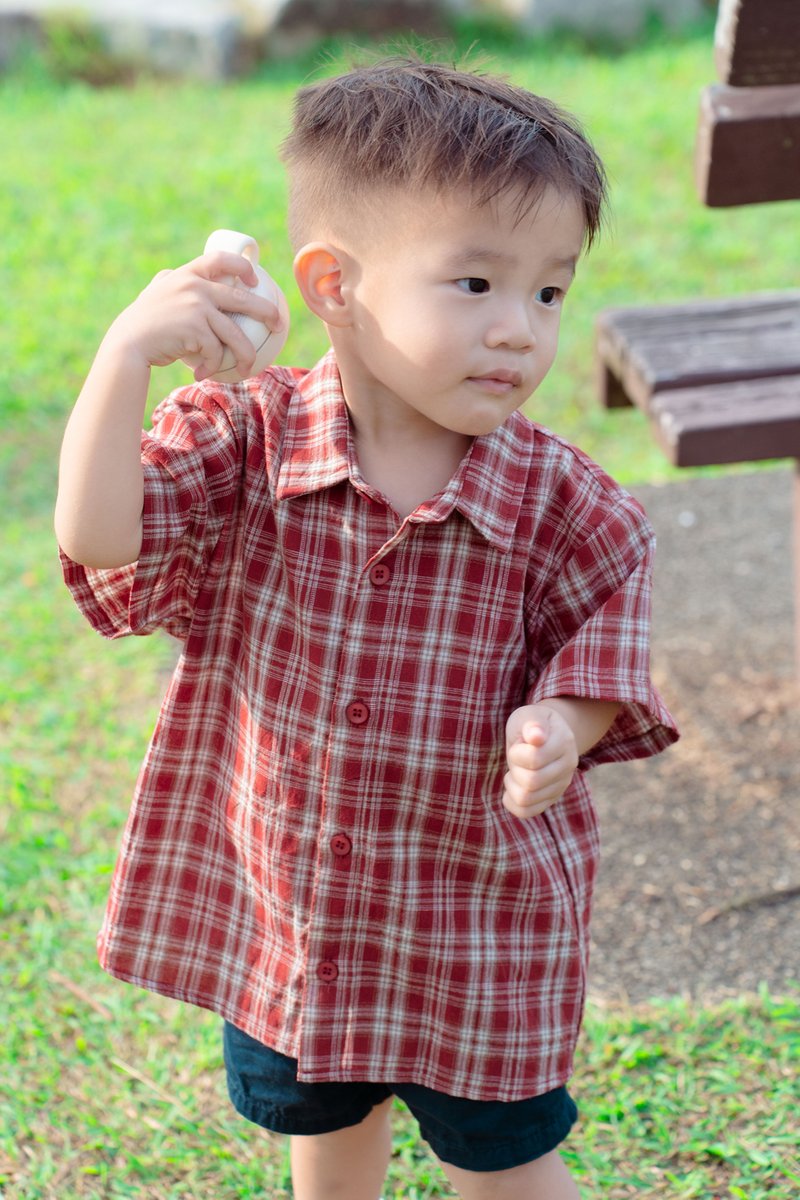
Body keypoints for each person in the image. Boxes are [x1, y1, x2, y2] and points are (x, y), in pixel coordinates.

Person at [55, 56, 678, 1200]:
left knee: (505, 1162)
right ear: (333, 285)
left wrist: (561, 721)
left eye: (548, 293)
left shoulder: (568, 507)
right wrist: (124, 355)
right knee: (327, 1130)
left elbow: (602, 651)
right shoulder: (246, 446)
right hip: (301, 918)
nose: (519, 331)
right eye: (475, 283)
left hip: (473, 925)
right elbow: (100, 538)